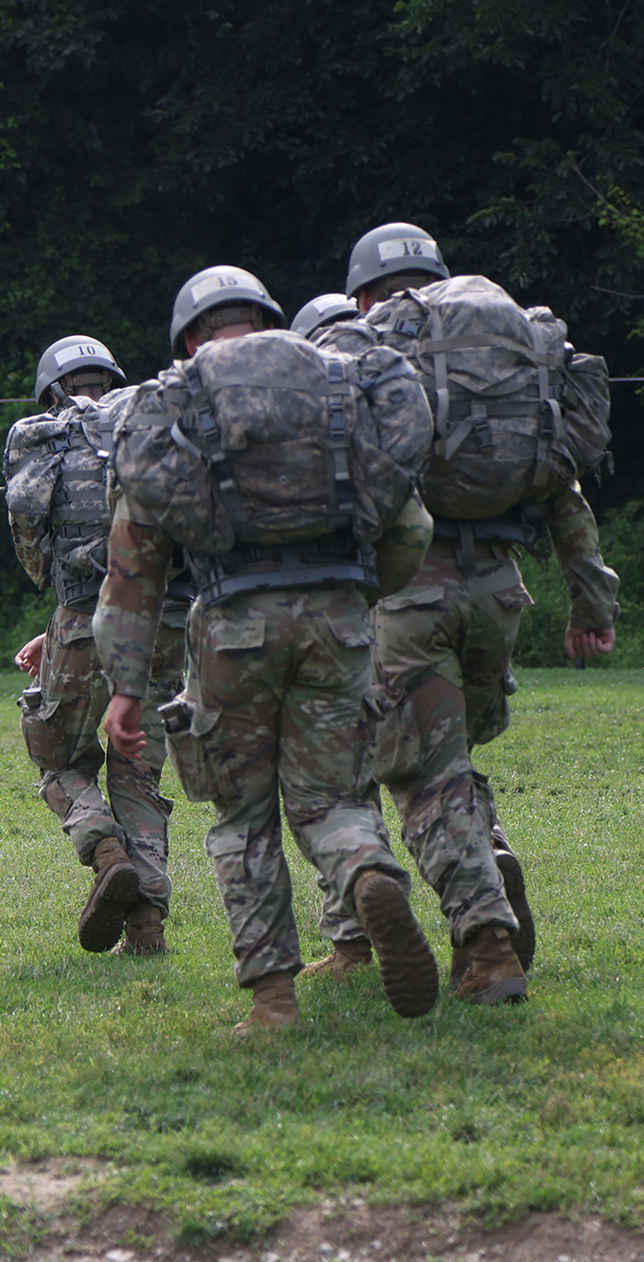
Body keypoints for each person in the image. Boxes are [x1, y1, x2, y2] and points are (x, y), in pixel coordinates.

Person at [93, 267, 439, 1035]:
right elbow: (412, 527)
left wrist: (124, 685)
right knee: (333, 798)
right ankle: (367, 871)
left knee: (242, 817)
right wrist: (359, 595)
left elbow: (134, 565)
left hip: (232, 627)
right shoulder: (340, 383)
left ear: (190, 335)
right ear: (269, 318)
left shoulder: (175, 402)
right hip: (340, 619)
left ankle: (273, 1001)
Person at [299, 223, 620, 1004]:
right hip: (499, 595)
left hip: (409, 596)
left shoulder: (376, 353)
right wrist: (591, 602)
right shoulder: (508, 358)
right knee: (447, 760)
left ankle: (486, 942)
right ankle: (484, 856)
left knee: (415, 775)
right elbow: (565, 489)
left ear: (365, 290)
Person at [3, 335, 187, 955]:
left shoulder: (47, 438)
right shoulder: (155, 422)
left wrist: (60, 605)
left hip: (84, 617)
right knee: (140, 771)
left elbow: (31, 538)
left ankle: (105, 850)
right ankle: (146, 928)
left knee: (57, 759)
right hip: (167, 624)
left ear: (52, 390)